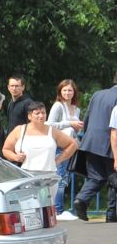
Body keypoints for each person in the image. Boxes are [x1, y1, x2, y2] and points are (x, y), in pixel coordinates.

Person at [69, 72, 117, 224]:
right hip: (109, 143)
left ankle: (81, 199)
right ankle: (111, 214)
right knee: (113, 178)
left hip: (91, 141)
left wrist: (87, 137)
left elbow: (87, 117)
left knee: (97, 177)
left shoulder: (97, 94)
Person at [50, 81, 84, 217]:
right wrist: (70, 123)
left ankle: (60, 209)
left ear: (74, 92)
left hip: (71, 146)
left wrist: (77, 127)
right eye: (64, 90)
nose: (67, 93)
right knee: (59, 178)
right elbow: (49, 124)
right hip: (59, 147)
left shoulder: (76, 109)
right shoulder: (58, 106)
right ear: (60, 92)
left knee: (65, 179)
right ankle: (57, 210)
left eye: (70, 90)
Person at [1, 75, 34, 159]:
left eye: (17, 86)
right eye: (12, 86)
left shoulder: (28, 103)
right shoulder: (10, 103)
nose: (14, 88)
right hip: (11, 143)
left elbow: (33, 125)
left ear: (23, 87)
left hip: (23, 144)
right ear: (8, 87)